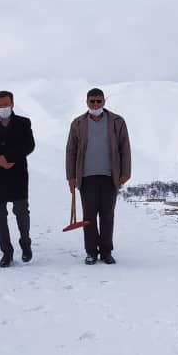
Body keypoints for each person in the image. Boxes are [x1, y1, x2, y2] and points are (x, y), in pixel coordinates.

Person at [65, 88, 131, 264]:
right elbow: (71, 151)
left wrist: (125, 172)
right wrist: (71, 176)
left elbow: (125, 148)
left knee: (107, 215)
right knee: (89, 217)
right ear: (87, 102)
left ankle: (106, 252)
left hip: (110, 176)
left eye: (98, 101)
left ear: (104, 102)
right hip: (86, 177)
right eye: (92, 101)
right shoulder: (78, 123)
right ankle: (91, 252)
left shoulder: (117, 121)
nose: (95, 105)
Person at [0, 90, 36, 268]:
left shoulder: (23, 123)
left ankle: (25, 243)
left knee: (21, 211)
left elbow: (29, 145)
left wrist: (11, 158)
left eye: (6, 104)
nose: (3, 108)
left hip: (17, 174)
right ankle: (6, 252)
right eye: (0, 105)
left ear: (12, 103)